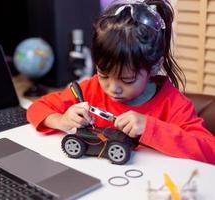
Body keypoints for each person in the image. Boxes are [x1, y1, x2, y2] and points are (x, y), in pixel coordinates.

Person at [27, 0, 215, 164]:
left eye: (127, 79)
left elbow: (210, 151)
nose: (113, 88)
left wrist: (151, 128)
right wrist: (61, 120)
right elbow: (37, 107)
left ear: (154, 67)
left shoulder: (173, 105)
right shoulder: (90, 89)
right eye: (103, 74)